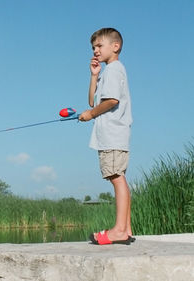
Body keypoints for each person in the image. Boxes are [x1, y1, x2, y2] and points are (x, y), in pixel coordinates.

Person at [78, 27, 133, 245]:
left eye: (99, 46)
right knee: (117, 177)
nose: (95, 50)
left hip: (113, 134)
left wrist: (90, 114)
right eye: (93, 47)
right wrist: (94, 76)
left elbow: (110, 102)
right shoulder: (107, 72)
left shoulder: (114, 69)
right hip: (111, 134)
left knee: (116, 178)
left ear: (115, 46)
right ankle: (126, 229)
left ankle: (119, 230)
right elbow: (93, 100)